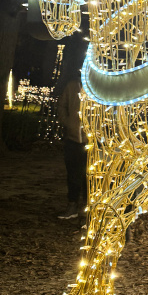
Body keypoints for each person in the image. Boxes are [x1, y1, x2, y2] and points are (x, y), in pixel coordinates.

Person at [56, 71, 87, 219]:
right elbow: (62, 105)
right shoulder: (72, 86)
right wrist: (67, 122)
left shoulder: (98, 88)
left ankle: (88, 210)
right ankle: (72, 206)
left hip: (91, 141)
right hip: (72, 139)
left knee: (89, 176)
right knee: (73, 174)